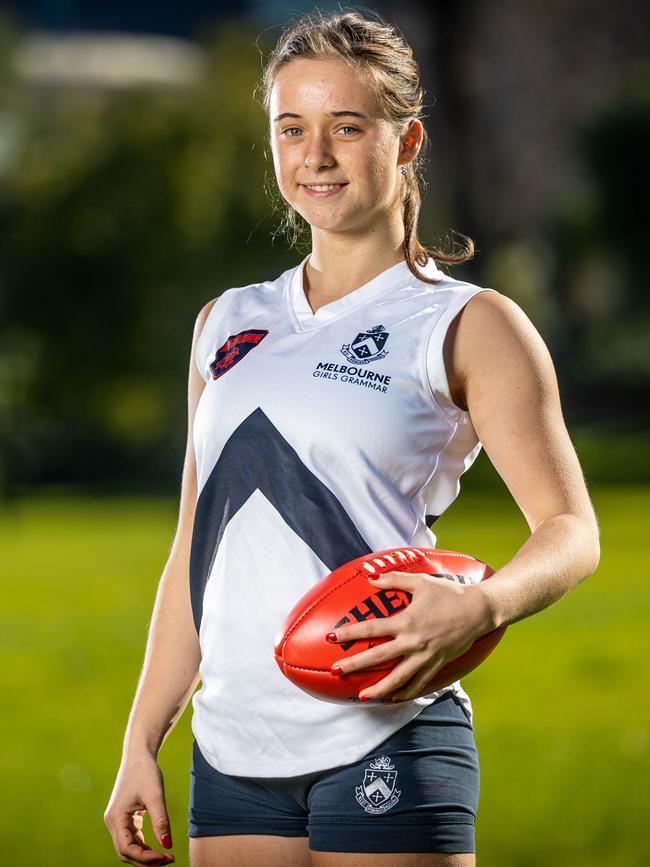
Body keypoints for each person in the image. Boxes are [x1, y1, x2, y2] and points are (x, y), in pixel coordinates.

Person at [103, 9, 600, 867]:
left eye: (346, 127)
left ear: (406, 142)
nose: (314, 155)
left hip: (389, 727)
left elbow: (572, 531)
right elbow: (195, 548)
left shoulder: (469, 323)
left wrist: (486, 603)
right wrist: (141, 739)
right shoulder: (226, 321)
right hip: (232, 750)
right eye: (291, 128)